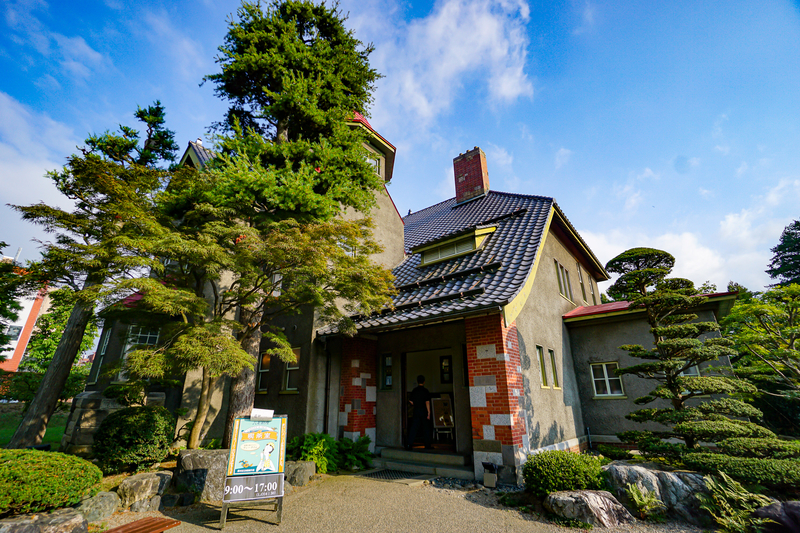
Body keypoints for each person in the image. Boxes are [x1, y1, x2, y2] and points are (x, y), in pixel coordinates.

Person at [406, 374, 432, 449]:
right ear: (424, 382)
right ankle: (427, 445)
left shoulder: (414, 391)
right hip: (424, 410)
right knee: (426, 427)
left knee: (414, 427)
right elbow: (427, 402)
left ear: (417, 382)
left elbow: (410, 401)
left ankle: (409, 444)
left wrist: (415, 404)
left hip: (416, 410)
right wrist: (429, 412)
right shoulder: (425, 391)